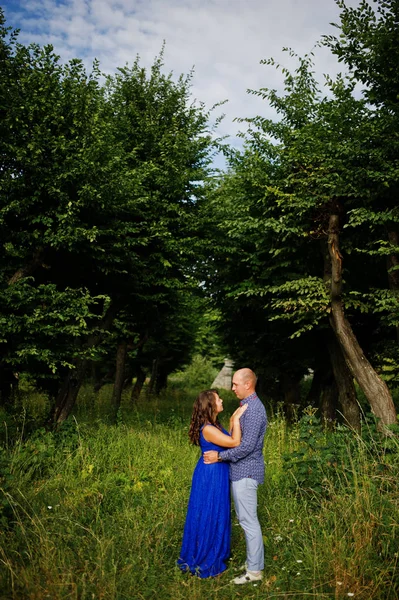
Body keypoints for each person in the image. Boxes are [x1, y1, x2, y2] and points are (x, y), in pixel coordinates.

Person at [204, 368, 267, 585]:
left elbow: (247, 446)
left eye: (235, 384)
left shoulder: (254, 410)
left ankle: (255, 572)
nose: (232, 388)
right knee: (245, 520)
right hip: (240, 471)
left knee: (249, 522)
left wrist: (219, 457)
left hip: (246, 471)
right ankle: (253, 561)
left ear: (247, 384)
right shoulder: (245, 407)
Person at [177, 389, 247, 578]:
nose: (222, 399)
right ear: (211, 405)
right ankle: (204, 557)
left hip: (217, 472)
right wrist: (236, 420)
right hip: (210, 475)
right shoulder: (208, 428)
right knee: (209, 512)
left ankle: (214, 550)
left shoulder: (213, 424)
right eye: (218, 399)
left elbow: (227, 441)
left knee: (216, 511)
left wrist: (232, 422)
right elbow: (235, 442)